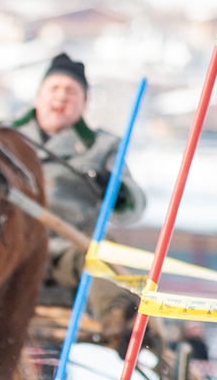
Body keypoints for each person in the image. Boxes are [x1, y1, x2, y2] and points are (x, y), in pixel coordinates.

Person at [11, 53, 147, 337]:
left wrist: (117, 190)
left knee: (102, 252)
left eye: (71, 92)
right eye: (54, 89)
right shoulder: (4, 137)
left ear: (84, 104)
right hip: (11, 247)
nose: (61, 97)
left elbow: (133, 208)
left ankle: (116, 318)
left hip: (68, 251)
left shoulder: (102, 146)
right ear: (38, 97)